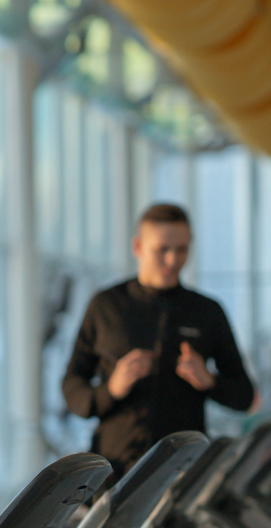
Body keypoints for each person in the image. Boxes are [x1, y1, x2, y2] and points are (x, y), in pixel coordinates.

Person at [62, 202, 254, 479]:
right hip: (115, 469)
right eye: (162, 250)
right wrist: (111, 389)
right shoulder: (106, 306)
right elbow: (72, 388)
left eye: (181, 249)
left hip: (184, 472)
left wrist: (209, 380)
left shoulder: (207, 311)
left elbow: (245, 395)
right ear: (138, 247)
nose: (172, 260)